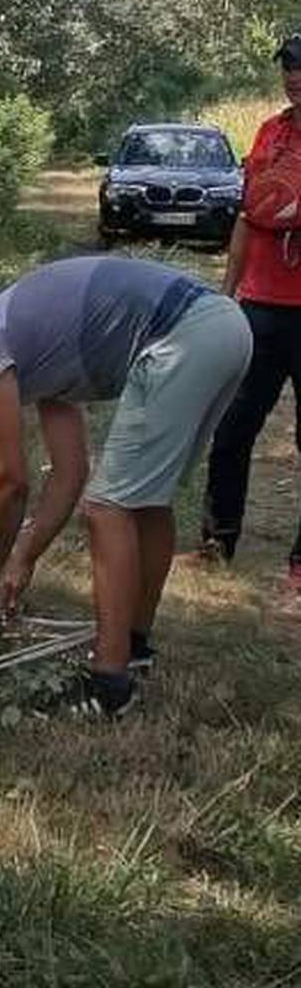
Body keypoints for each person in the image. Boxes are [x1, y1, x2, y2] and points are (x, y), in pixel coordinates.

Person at [0, 255, 252, 718]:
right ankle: (134, 645)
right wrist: (24, 556)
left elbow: (9, 479)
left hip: (182, 335)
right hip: (225, 329)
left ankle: (109, 683)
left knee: (107, 508)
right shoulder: (42, 357)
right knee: (145, 502)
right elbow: (68, 471)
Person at [196, 33, 301, 580]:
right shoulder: (268, 133)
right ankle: (217, 543)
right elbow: (245, 217)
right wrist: (225, 294)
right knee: (234, 427)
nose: (293, 76)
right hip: (259, 305)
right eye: (287, 67)